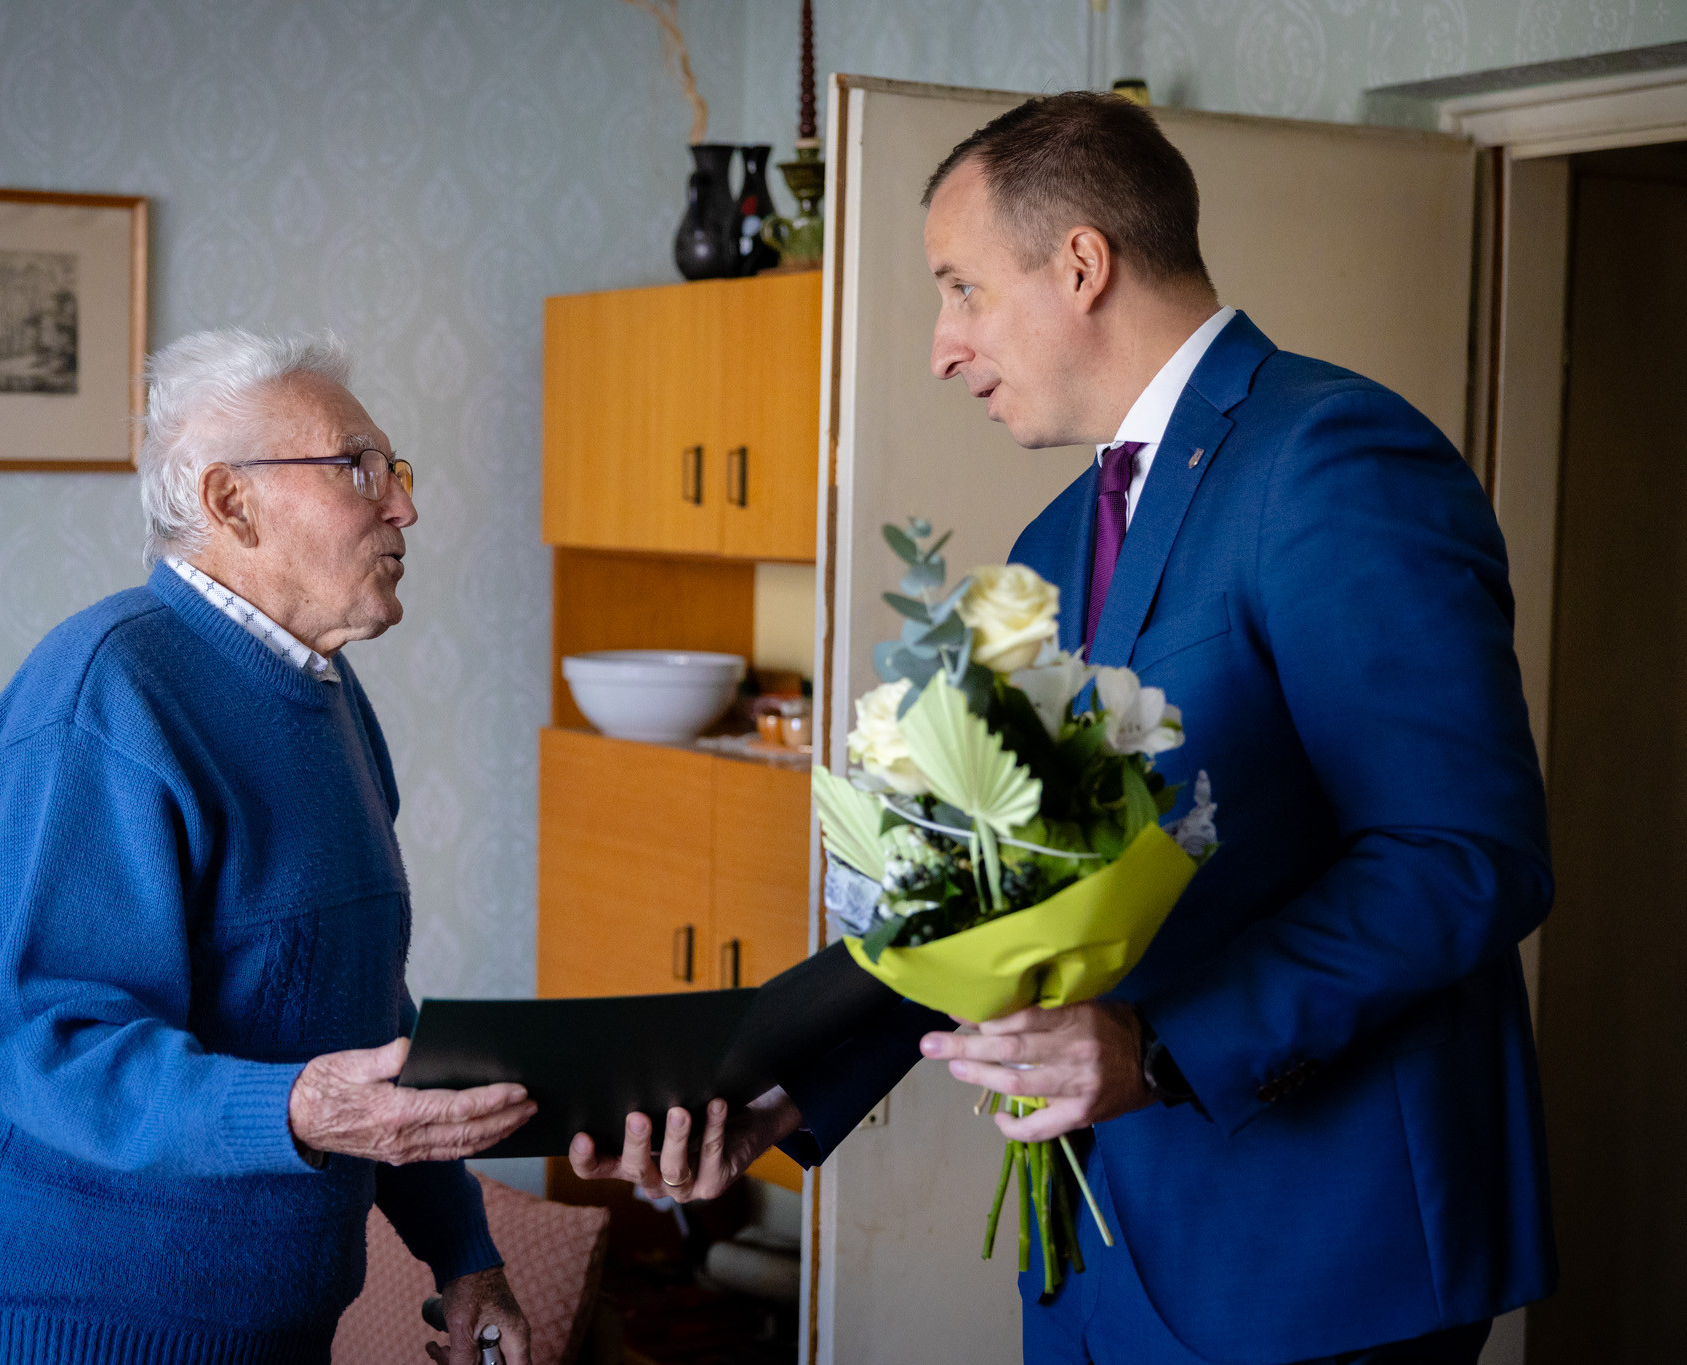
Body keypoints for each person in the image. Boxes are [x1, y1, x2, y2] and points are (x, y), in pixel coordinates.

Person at [576, 93, 1554, 1365]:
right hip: (1092, 1257)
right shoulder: (1051, 539)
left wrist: (1158, 1051)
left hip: (1312, 1252)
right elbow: (990, 894)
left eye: (960, 290)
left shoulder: (1332, 457)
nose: (941, 348)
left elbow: (1459, 853)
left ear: (1081, 264)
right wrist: (778, 1096)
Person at [0, 330, 538, 1365]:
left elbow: (363, 1013)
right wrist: (297, 1107)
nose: (402, 506)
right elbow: (49, 1046)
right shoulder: (102, 697)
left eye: (395, 470)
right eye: (358, 468)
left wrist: (462, 1253)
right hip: (62, 1327)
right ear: (231, 504)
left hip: (273, 1326)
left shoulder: (328, 691)